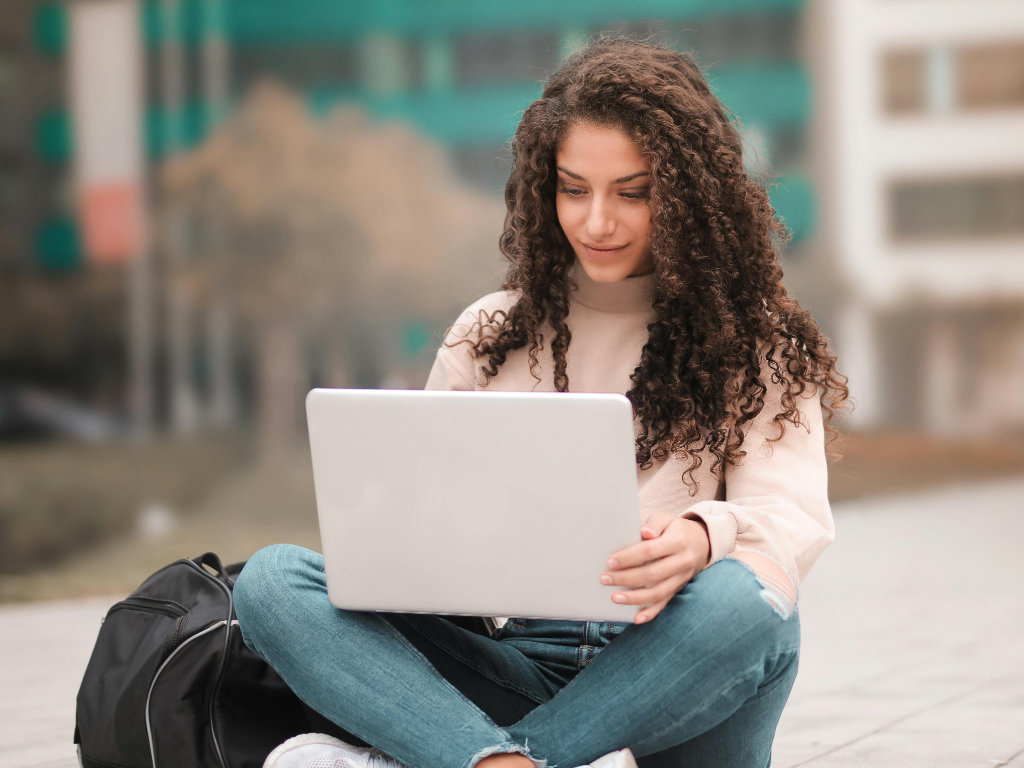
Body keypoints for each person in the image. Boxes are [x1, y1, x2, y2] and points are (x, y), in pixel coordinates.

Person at [233, 37, 849, 768]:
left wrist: (703, 534)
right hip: (513, 660)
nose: (596, 222)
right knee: (271, 581)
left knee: (757, 607)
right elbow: (411, 523)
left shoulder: (755, 340)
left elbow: (790, 526)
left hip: (674, 669)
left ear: (689, 194)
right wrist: (403, 536)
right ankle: (511, 761)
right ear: (542, 186)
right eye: (573, 188)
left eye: (633, 191)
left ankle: (474, 758)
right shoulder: (491, 332)